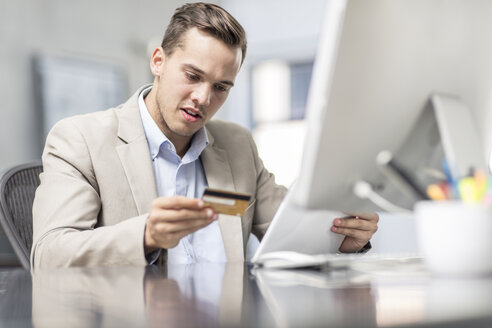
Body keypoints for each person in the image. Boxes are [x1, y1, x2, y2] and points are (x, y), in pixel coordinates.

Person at [31, 2, 378, 269]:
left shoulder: (237, 145)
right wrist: (146, 235)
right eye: (192, 75)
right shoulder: (81, 139)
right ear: (158, 61)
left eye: (221, 87)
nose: (203, 98)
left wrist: (344, 238)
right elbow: (50, 252)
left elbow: (286, 232)